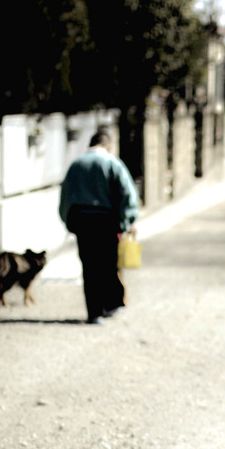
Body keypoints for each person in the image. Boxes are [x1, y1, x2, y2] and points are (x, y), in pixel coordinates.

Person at [58, 129, 139, 324]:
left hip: (83, 221)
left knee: (89, 266)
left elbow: (65, 196)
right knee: (108, 264)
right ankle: (109, 305)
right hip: (106, 221)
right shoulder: (112, 163)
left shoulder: (76, 165)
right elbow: (127, 193)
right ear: (108, 145)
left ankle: (94, 313)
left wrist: (69, 221)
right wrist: (128, 219)